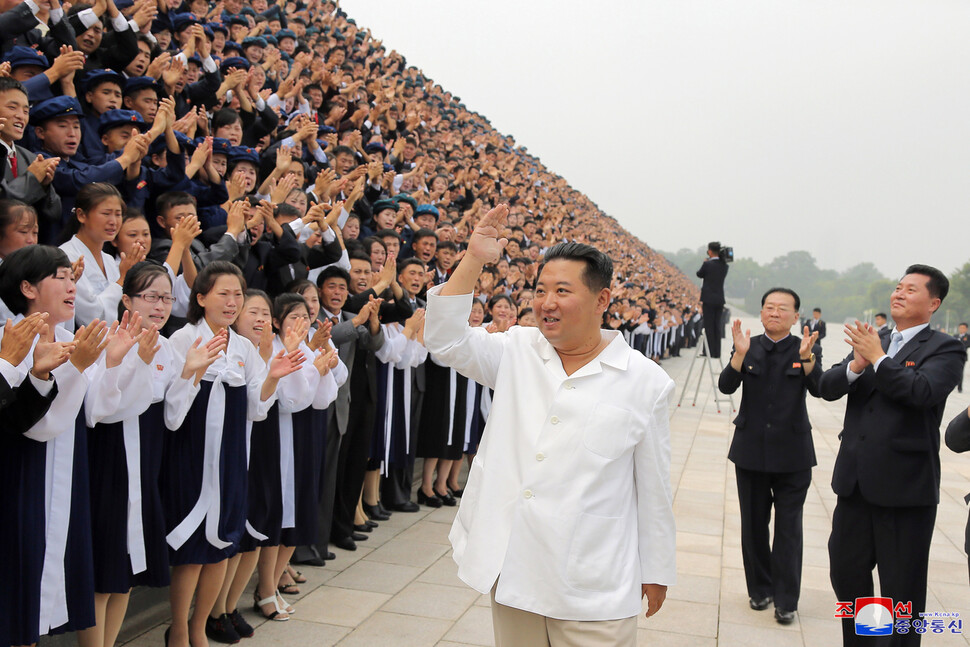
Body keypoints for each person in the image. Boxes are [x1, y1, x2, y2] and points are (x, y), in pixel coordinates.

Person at [425, 205, 675, 646]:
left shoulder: (646, 382)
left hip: (593, 582)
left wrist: (656, 569)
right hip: (514, 565)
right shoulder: (517, 350)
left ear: (602, 300)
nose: (547, 302)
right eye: (540, 290)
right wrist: (473, 259)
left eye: (563, 290)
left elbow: (652, 487)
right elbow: (445, 340)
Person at [818, 264, 966, 647]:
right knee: (847, 576)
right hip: (855, 486)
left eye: (911, 290)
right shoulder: (874, 338)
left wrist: (880, 359)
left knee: (901, 592)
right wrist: (856, 364)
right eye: (898, 287)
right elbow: (828, 386)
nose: (899, 293)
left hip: (904, 492)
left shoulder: (945, 348)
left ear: (933, 303)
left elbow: (922, 392)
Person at [717, 287, 821, 625]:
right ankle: (760, 590)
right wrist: (738, 355)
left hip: (793, 455)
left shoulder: (803, 348)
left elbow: (821, 388)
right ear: (761, 313)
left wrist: (807, 359)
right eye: (769, 308)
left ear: (795, 316)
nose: (774, 313)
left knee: (789, 529)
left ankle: (787, 600)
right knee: (754, 527)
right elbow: (726, 386)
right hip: (751, 452)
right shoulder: (750, 346)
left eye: (782, 309)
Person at [696, 241, 728, 358]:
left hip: (708, 299)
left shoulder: (708, 264)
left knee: (709, 325)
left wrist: (705, 262)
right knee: (717, 325)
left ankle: (708, 351)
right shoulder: (724, 265)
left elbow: (699, 274)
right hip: (719, 299)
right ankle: (716, 352)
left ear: (709, 251)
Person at [955, 322, 969, 393]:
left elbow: (967, 344)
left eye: (963, 328)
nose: (962, 329)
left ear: (966, 329)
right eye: (960, 328)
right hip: (954, 356)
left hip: (962, 356)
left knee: (960, 372)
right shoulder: (956, 335)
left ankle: (960, 387)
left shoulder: (968, 336)